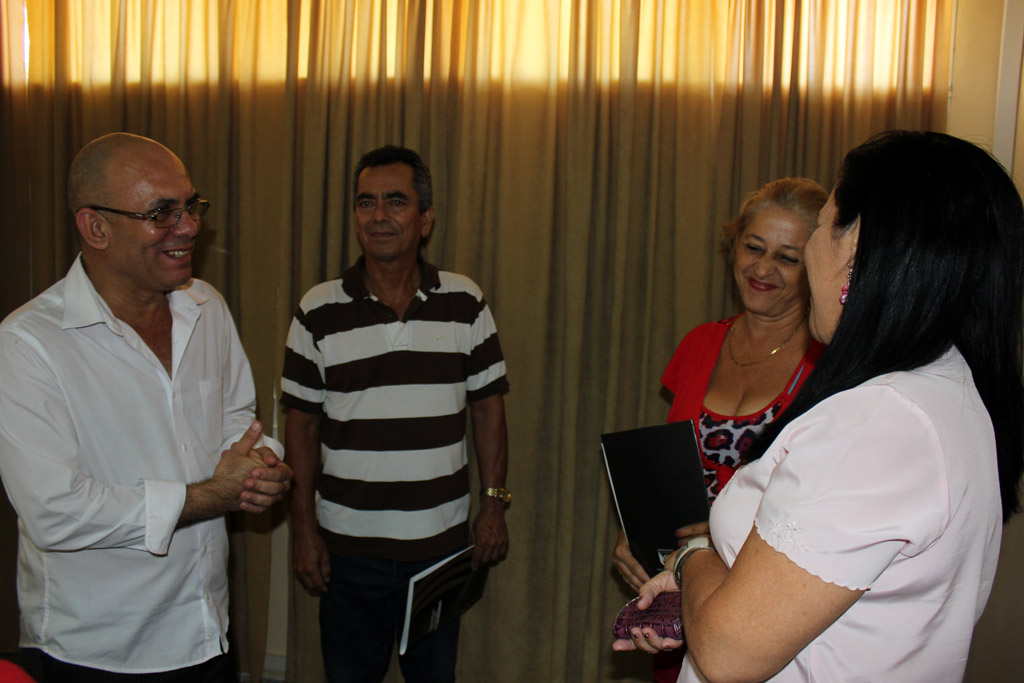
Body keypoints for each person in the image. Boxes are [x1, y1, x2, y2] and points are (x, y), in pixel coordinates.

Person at [614, 130, 1024, 682]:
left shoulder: (880, 422)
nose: (804, 258)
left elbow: (730, 655)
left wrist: (689, 560)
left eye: (821, 227)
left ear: (855, 251)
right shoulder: (943, 385)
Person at [0, 132, 293, 681]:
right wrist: (210, 496)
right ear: (96, 227)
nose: (188, 227)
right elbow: (55, 512)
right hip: (99, 650)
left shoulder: (207, 307)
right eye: (162, 212)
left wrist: (260, 467)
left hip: (208, 629)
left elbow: (239, 423)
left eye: (190, 206)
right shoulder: (26, 345)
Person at [282, 145, 510, 682]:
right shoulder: (317, 310)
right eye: (366, 203)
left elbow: (489, 412)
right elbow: (301, 427)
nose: (378, 216)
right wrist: (303, 529)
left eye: (395, 202)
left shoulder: (466, 301)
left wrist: (494, 506)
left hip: (439, 549)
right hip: (347, 552)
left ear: (425, 219)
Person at [611, 178, 827, 681]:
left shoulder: (829, 369)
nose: (763, 268)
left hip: (767, 605)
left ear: (815, 266)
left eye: (787, 257)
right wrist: (639, 533)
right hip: (682, 591)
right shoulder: (699, 344)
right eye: (754, 247)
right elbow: (675, 476)